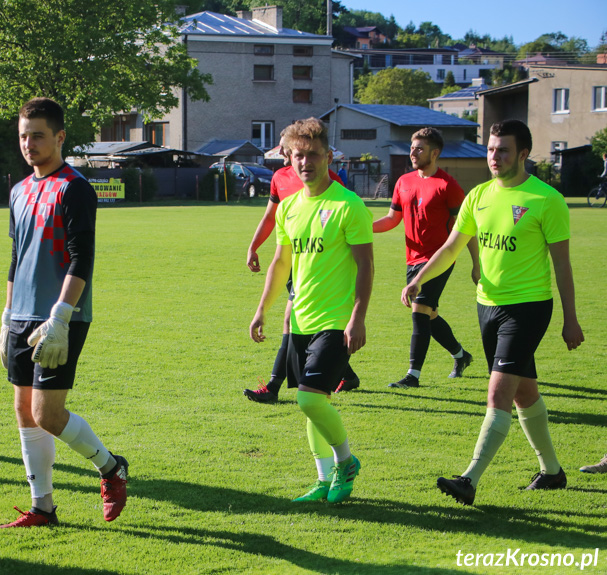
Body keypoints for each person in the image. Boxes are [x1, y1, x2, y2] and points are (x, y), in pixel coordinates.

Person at [401, 120, 584, 506]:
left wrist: (571, 318)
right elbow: (452, 246)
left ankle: (468, 479)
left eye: (502, 150)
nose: (494, 157)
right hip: (487, 306)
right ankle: (552, 473)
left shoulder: (546, 199)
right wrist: (419, 278)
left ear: (523, 154)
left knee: (498, 393)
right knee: (523, 393)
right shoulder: (478, 195)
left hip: (529, 307)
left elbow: (563, 266)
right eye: (490, 149)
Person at [0, 97, 127, 528]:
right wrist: (6, 314)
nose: (29, 144)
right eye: (23, 136)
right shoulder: (18, 190)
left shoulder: (75, 188)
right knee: (23, 410)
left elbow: (81, 258)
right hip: (21, 314)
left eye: (37, 135)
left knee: (48, 414)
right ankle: (43, 507)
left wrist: (60, 317)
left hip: (60, 316)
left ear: (59, 137)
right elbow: (16, 256)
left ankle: (111, 467)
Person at [249, 117, 373, 503]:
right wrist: (262, 309)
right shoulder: (289, 208)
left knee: (308, 398)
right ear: (288, 157)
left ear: (328, 156)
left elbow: (367, 265)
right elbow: (281, 262)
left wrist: (358, 316)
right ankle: (323, 481)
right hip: (301, 319)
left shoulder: (348, 205)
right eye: (298, 156)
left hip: (336, 320)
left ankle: (346, 462)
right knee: (315, 405)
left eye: (314, 155)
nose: (306, 163)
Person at [244, 141, 360, 403]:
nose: (297, 157)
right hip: (296, 261)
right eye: (292, 150)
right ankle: (342, 372)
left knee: (291, 321)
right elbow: (271, 217)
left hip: (323, 272)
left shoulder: (327, 183)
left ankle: (274, 385)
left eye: (308, 152)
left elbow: (344, 221)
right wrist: (254, 245)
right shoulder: (279, 178)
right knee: (301, 327)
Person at [373, 127, 478, 389]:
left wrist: (477, 264)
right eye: (412, 147)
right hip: (412, 259)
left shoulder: (448, 186)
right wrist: (361, 228)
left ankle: (413, 376)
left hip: (440, 259)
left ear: (435, 153)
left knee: (419, 312)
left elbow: (467, 229)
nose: (413, 152)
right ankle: (461, 355)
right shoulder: (404, 182)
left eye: (419, 148)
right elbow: (391, 220)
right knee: (429, 315)